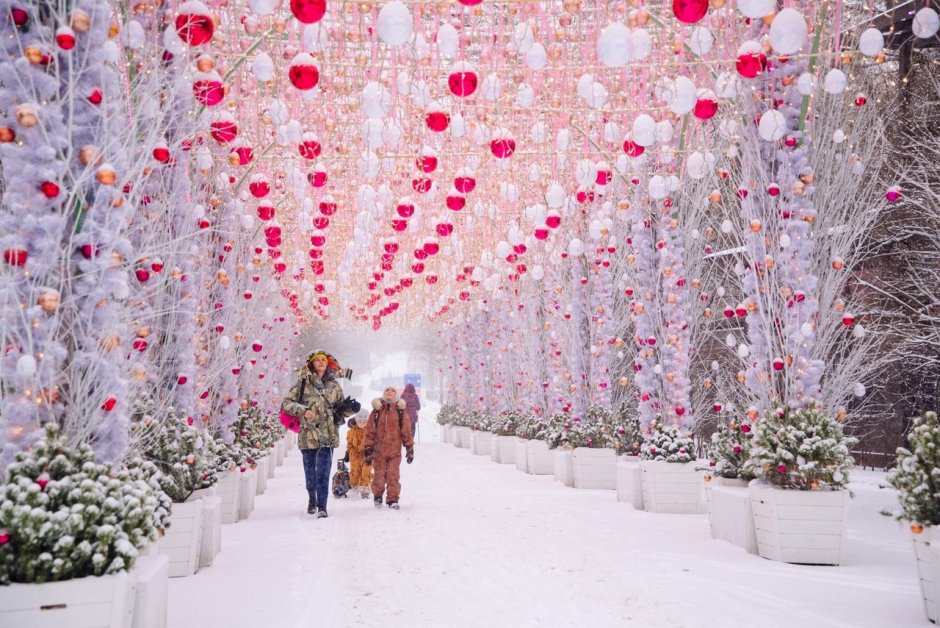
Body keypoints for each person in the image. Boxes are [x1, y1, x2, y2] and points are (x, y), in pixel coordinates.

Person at [281, 350, 358, 518]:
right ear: (312, 364)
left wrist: (350, 409)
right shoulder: (302, 383)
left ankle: (322, 506)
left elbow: (339, 411)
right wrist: (303, 410)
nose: (321, 362)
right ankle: (311, 498)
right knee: (310, 472)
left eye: (323, 360)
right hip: (308, 434)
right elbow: (286, 404)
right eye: (317, 360)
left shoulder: (334, 385)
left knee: (324, 471)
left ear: (328, 363)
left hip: (327, 435)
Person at [364, 387, 414, 510]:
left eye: (392, 391)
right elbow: (370, 431)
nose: (389, 392)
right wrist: (368, 448)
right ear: (384, 394)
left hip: (394, 452)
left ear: (396, 394)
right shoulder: (377, 411)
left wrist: (409, 448)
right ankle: (378, 496)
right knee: (379, 476)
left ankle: (393, 499)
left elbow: (406, 431)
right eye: (387, 391)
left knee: (393, 476)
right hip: (378, 451)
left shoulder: (400, 411)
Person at [344, 414, 372, 498]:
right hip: (355, 454)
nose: (362, 423)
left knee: (366, 471)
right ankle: (354, 487)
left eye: (364, 422)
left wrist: (371, 453)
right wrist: (347, 453)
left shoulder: (371, 431)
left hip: (367, 454)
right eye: (359, 422)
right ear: (356, 422)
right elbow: (349, 443)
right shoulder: (351, 432)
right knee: (355, 471)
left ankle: (365, 489)